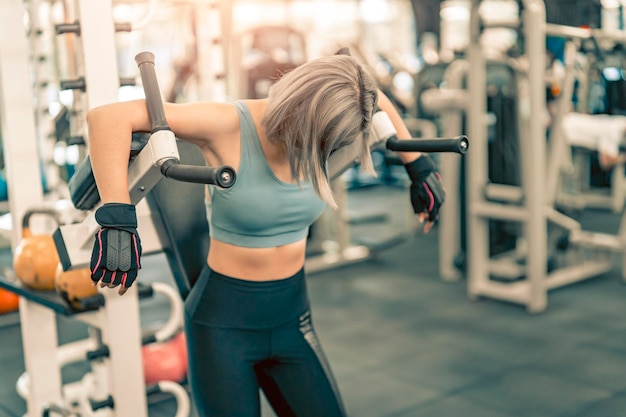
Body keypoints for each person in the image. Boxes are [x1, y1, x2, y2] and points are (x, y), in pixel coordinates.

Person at [86, 49, 445, 417]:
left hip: (292, 318)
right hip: (222, 326)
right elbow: (109, 117)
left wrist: (419, 166)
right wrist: (117, 214)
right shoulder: (229, 122)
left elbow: (373, 95)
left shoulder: (345, 104)